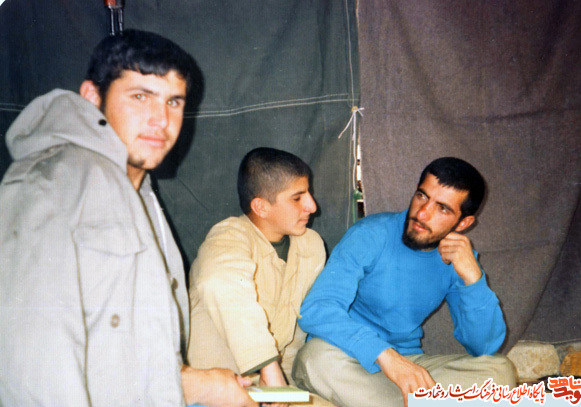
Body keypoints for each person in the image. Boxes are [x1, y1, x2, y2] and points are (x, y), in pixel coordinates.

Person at [0, 30, 257, 407]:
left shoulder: (141, 192)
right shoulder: (49, 183)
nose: (161, 119)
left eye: (173, 101)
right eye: (140, 96)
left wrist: (199, 384)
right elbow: (31, 368)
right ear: (92, 97)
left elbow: (122, 353)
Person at [292, 157, 517, 407]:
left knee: (499, 371)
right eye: (422, 196)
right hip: (347, 356)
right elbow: (317, 309)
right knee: (314, 359)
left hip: (405, 366)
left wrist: (474, 280)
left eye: (442, 209)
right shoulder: (371, 234)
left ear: (463, 223)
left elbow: (483, 346)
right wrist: (386, 357)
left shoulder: (458, 257)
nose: (422, 213)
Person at [187, 147, 329, 406]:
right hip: (217, 391)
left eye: (308, 193)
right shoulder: (228, 237)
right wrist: (268, 367)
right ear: (261, 207)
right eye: (297, 198)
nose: (312, 206)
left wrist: (283, 385)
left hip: (276, 389)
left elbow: (295, 337)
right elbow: (219, 282)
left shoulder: (311, 245)